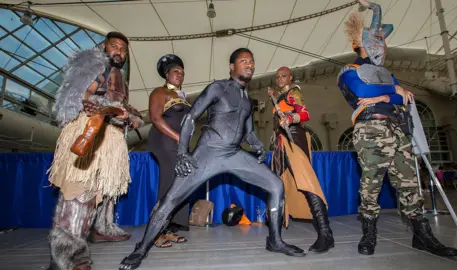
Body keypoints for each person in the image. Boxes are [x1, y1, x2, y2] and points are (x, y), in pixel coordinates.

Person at [119, 48, 306, 270]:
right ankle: (141, 249)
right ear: (232, 67)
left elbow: (248, 132)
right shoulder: (218, 88)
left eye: (252, 61)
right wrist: (182, 152)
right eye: (243, 61)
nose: (249, 65)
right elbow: (190, 118)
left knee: (276, 185)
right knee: (169, 200)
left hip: (234, 154)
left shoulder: (247, 101)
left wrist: (257, 147)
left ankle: (274, 240)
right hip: (207, 154)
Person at [337, 0, 457, 257]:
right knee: (371, 182)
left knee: (410, 183)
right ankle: (369, 233)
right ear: (358, 45)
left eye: (383, 41)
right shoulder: (350, 71)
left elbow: (406, 98)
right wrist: (392, 91)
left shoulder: (386, 73)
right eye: (376, 40)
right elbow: (362, 91)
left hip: (397, 129)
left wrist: (384, 96)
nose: (382, 46)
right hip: (370, 129)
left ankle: (421, 235)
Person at [47, 31, 144, 270]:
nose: (119, 51)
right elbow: (76, 97)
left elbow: (128, 112)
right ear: (104, 47)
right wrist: (102, 108)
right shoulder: (93, 65)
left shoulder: (120, 78)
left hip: (110, 140)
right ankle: (70, 258)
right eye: (114, 46)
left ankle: (99, 231)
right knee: (79, 193)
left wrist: (129, 116)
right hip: (88, 131)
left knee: (101, 194)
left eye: (123, 49)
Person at [268, 66, 334, 253]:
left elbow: (305, 114)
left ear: (290, 77)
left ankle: (326, 234)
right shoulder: (281, 96)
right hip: (280, 145)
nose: (280, 79)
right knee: (276, 186)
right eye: (277, 76)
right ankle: (274, 236)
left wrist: (289, 118)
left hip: (293, 139)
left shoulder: (293, 92)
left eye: (283, 76)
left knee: (307, 184)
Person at [147, 54, 190, 248]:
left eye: (181, 72)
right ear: (167, 75)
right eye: (175, 71)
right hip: (165, 142)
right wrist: (178, 137)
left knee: (179, 185)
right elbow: (156, 118)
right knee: (168, 185)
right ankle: (155, 233)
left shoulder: (183, 96)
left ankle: (169, 229)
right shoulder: (159, 92)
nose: (179, 74)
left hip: (179, 145)